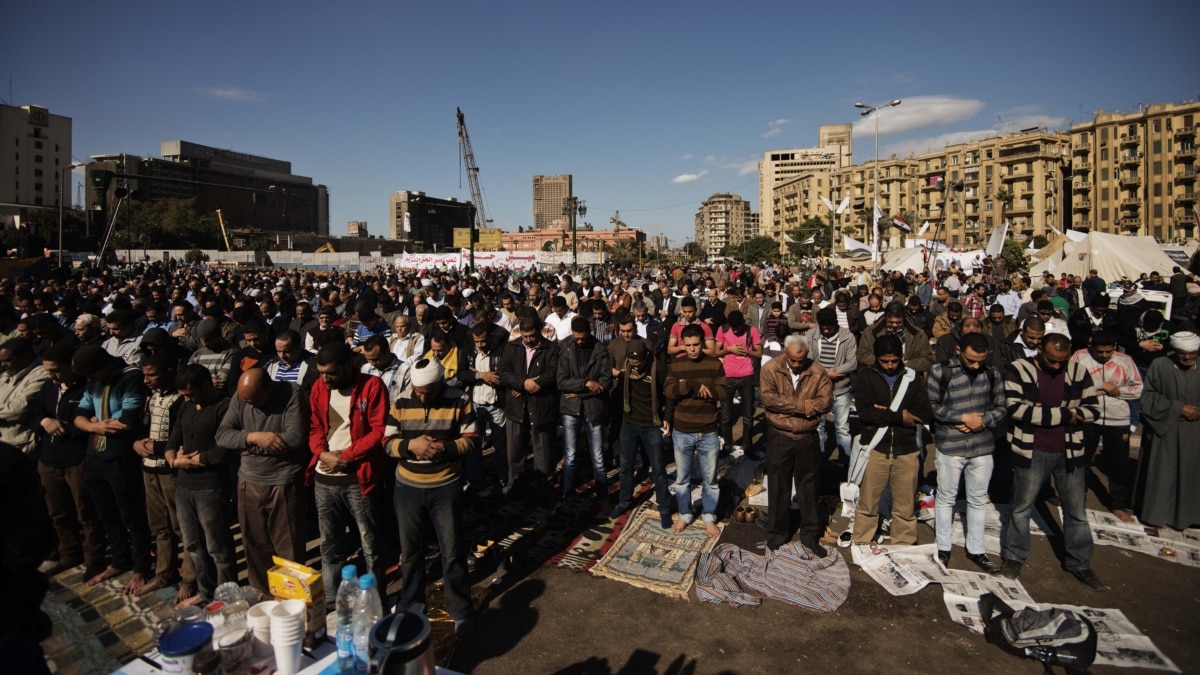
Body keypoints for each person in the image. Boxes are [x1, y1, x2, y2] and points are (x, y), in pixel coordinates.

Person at [1000, 333, 1106, 591]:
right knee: (1021, 506)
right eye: (1051, 361)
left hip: (1070, 450)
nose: (1057, 366)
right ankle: (1014, 556)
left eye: (1062, 361)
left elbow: (1093, 410)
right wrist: (1065, 414)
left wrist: (1042, 412)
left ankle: (1079, 562)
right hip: (1032, 448)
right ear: (1038, 350)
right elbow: (1016, 409)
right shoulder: (1020, 370)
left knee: (1076, 511)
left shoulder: (1079, 373)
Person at [383, 358, 479, 636]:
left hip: (445, 486)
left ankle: (459, 608)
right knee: (410, 552)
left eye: (428, 391)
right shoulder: (401, 401)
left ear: (440, 384)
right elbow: (387, 442)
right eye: (418, 390)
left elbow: (471, 438)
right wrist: (410, 445)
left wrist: (441, 448)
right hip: (408, 488)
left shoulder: (459, 399)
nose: (422, 396)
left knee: (452, 551)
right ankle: (411, 604)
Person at [308, 342, 388, 609]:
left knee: (371, 546)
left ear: (348, 367)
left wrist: (345, 457)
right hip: (324, 479)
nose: (324, 378)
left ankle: (376, 602)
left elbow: (378, 432)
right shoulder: (319, 388)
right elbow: (315, 427)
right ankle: (333, 604)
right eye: (320, 372)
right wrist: (322, 453)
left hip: (358, 479)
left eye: (330, 373)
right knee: (330, 546)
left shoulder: (372, 387)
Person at [215, 369, 308, 595]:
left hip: (282, 480)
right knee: (254, 543)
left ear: (269, 387)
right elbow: (223, 435)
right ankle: (262, 590)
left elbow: (294, 437)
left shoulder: (292, 393)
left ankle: (290, 597)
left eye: (254, 400)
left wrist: (247, 446)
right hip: (249, 480)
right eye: (246, 401)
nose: (250, 406)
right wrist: (254, 438)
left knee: (288, 546)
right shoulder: (242, 397)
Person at [71, 345, 153, 590]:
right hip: (95, 453)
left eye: (90, 373)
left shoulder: (131, 377)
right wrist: (94, 426)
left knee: (131, 513)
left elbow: (127, 421)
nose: (88, 380)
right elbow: (79, 416)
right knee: (106, 513)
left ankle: (140, 566)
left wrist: (94, 423)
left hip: (120, 455)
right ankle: (119, 559)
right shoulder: (94, 383)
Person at [928, 333, 1007, 573]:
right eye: (971, 360)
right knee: (946, 497)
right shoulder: (940, 371)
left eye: (980, 361)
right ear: (958, 350)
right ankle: (943, 546)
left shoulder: (992, 374)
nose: (975, 365)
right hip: (950, 445)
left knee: (977, 499)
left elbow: (1002, 407)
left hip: (982, 446)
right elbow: (931, 405)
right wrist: (962, 417)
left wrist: (982, 421)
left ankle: (976, 549)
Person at [852, 335, 932, 546]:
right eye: (884, 361)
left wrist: (883, 411)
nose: (889, 366)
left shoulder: (912, 378)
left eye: (894, 361)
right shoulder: (865, 377)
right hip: (876, 449)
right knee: (868, 503)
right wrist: (899, 415)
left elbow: (925, 412)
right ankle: (862, 541)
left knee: (905, 506)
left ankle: (904, 544)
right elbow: (865, 412)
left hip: (906, 451)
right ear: (876, 358)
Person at [166, 365, 235, 607]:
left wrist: (192, 460)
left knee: (217, 548)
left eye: (190, 394)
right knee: (194, 545)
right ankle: (206, 593)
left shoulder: (224, 407)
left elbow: (222, 451)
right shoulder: (186, 406)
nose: (186, 399)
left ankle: (226, 595)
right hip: (185, 485)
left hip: (210, 486)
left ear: (206, 386)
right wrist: (175, 459)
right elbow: (173, 439)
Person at [35, 343, 105, 579]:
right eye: (47, 370)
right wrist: (45, 421)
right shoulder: (48, 386)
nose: (51, 375)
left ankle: (93, 557)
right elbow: (36, 412)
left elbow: (92, 422)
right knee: (58, 512)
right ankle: (68, 553)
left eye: (55, 370)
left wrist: (66, 426)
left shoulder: (87, 389)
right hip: (49, 458)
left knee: (85, 511)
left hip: (76, 458)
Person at [760, 335, 832, 554]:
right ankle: (776, 534)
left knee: (808, 487)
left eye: (801, 360)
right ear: (785, 353)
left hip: (806, 436)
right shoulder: (770, 369)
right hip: (779, 435)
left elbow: (826, 402)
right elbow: (769, 399)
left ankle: (810, 534)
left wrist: (793, 407)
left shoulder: (818, 372)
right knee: (778, 486)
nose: (797, 365)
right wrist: (803, 406)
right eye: (793, 360)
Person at [130, 354, 194, 598]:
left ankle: (188, 580)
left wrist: (156, 448)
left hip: (170, 471)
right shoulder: (152, 397)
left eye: (152, 375)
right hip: (149, 468)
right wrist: (137, 443)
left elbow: (183, 439)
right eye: (144, 375)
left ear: (168, 371)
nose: (146, 380)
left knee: (182, 528)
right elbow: (142, 427)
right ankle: (163, 573)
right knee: (159, 527)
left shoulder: (181, 400)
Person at [1070, 330, 1142, 523]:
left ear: (1115, 347)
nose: (1103, 356)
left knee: (1119, 464)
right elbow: (1072, 383)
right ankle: (1077, 499)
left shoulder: (1125, 360)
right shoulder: (1080, 356)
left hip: (1117, 418)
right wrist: (1101, 385)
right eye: (1099, 352)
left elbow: (1136, 389)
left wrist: (1113, 391)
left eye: (1107, 352)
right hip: (1087, 416)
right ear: (1092, 347)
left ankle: (1118, 504)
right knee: (1081, 460)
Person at [1133, 330, 1200, 533]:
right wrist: (1178, 409)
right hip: (1166, 431)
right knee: (1163, 473)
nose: (1187, 357)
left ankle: (1190, 515)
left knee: (1192, 474)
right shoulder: (1160, 365)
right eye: (1182, 353)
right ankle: (1157, 514)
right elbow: (1147, 398)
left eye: (1191, 353)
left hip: (1195, 433)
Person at [665, 324, 727, 537]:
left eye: (696, 345)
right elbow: (669, 390)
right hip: (682, 430)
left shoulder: (714, 364)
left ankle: (709, 516)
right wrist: (690, 384)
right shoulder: (676, 364)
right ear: (682, 344)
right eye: (688, 345)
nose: (692, 349)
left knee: (710, 479)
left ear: (703, 344)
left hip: (708, 430)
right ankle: (685, 514)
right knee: (682, 478)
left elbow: (723, 392)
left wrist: (705, 391)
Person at [611, 339, 672, 525]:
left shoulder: (658, 369)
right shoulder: (627, 368)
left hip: (651, 425)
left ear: (646, 357)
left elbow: (669, 395)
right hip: (629, 423)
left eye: (639, 364)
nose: (635, 368)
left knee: (659, 469)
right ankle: (624, 501)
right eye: (632, 363)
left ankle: (664, 507)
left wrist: (667, 418)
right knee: (626, 467)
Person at [496, 316, 560, 494]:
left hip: (541, 407)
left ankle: (544, 487)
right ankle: (515, 485)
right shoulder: (512, 347)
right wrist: (523, 384)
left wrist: (533, 385)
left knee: (543, 452)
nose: (528, 340)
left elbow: (553, 373)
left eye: (531, 336)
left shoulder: (552, 349)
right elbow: (503, 372)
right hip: (516, 407)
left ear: (539, 332)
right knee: (515, 452)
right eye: (525, 336)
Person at [557, 316, 613, 500]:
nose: (579, 341)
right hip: (570, 409)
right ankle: (568, 495)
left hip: (593, 408)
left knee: (598, 457)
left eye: (583, 338)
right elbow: (562, 381)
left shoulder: (600, 349)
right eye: (576, 338)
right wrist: (586, 384)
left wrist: (581, 392)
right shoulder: (565, 348)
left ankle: (602, 496)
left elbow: (605, 382)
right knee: (570, 456)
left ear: (589, 333)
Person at [804, 307, 856, 461]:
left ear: (836, 324)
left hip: (840, 389)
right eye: (823, 328)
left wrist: (837, 371)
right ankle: (818, 461)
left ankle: (845, 462)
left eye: (829, 328)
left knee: (842, 428)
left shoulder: (848, 337)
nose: (826, 331)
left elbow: (852, 363)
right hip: (818, 389)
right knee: (818, 426)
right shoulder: (811, 335)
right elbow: (808, 359)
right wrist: (827, 374)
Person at [715, 310, 762, 456]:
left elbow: (759, 353)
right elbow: (716, 352)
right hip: (728, 376)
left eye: (738, 328)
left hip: (746, 376)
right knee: (726, 414)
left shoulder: (751, 330)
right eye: (733, 328)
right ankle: (727, 445)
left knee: (748, 415)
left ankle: (747, 446)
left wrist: (747, 352)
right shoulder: (722, 329)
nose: (735, 331)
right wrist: (729, 349)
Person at [0, 337, 50, 454]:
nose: (3, 365)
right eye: (1, 362)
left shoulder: (41, 373)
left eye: (8, 360)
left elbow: (21, 406)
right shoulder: (6, 375)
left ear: (26, 356)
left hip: (20, 444)